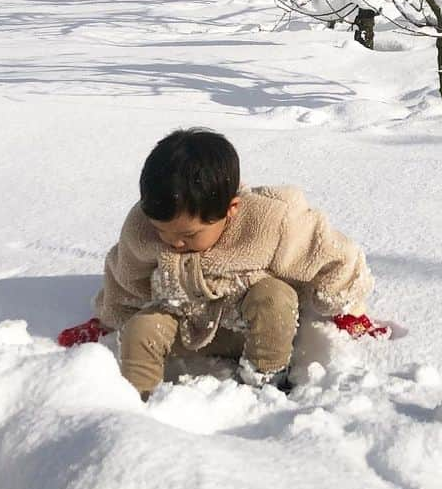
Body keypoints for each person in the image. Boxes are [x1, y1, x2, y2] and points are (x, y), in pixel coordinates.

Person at [91, 127, 375, 398]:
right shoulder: (140, 228)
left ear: (231, 209)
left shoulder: (268, 223)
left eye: (188, 234)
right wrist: (110, 318)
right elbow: (124, 276)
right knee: (141, 329)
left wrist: (345, 307)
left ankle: (265, 381)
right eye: (161, 230)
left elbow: (331, 253)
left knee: (275, 296)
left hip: (255, 327)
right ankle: (137, 402)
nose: (173, 242)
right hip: (185, 323)